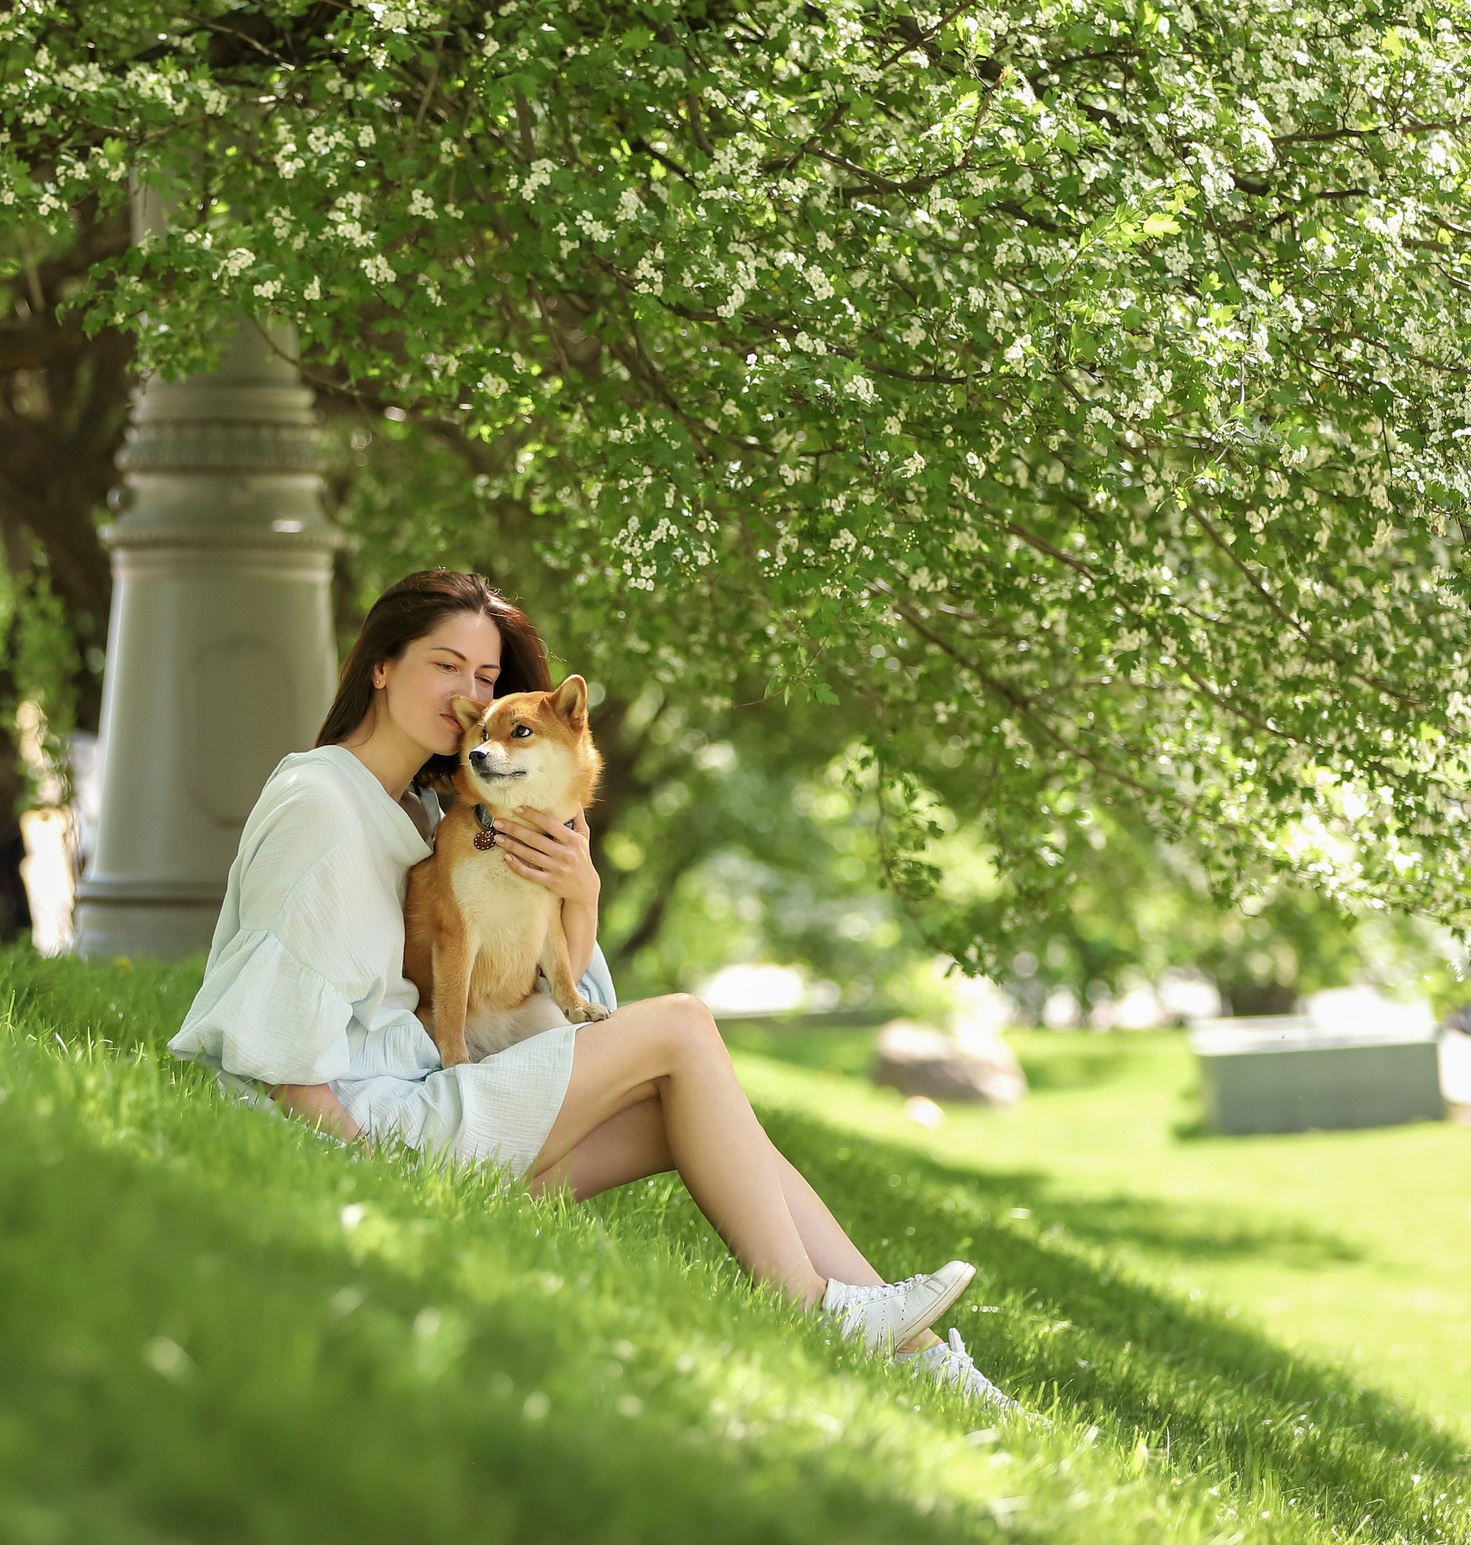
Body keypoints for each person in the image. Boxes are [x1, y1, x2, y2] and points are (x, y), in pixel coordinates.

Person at [169, 570, 1012, 1405]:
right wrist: (375, 1187)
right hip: (367, 1132)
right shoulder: (323, 801)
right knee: (682, 1026)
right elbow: (279, 1055)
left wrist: (584, 890)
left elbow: (568, 999)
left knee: (684, 1103)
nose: (467, 693)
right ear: (381, 665)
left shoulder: (428, 816)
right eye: (443, 664)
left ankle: (926, 1361)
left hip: (420, 1100)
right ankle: (816, 1306)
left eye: (486, 678)